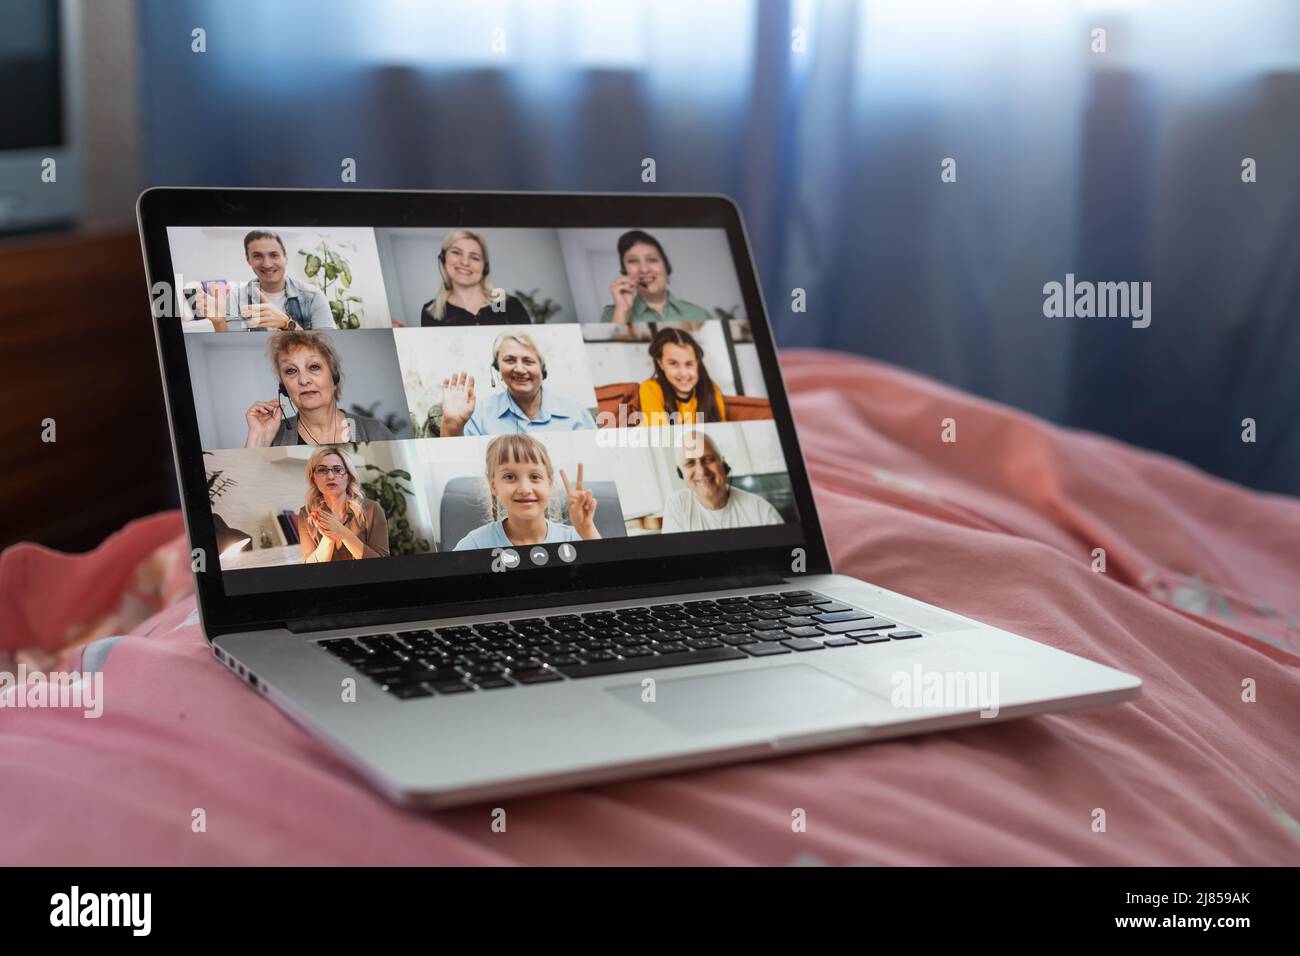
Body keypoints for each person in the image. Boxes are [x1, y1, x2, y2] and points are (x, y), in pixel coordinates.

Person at [245, 330, 395, 446]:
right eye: (291, 370)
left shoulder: (375, 432)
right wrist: (258, 439)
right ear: (283, 387)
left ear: (334, 377)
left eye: (314, 367)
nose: (303, 380)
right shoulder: (273, 437)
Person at [453, 434, 599, 550]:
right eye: (510, 477)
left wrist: (587, 529)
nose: (524, 489)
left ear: (549, 484)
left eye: (535, 477)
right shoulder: (474, 544)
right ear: (493, 485)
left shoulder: (576, 537)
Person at [438, 333, 596, 436]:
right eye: (510, 360)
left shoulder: (575, 412)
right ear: (497, 368)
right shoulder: (479, 415)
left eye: (528, 361)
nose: (519, 369)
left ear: (542, 370)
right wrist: (452, 425)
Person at [191, 229, 333, 331]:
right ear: (248, 260)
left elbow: (326, 348)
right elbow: (230, 348)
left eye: (274, 255)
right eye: (258, 256)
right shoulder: (235, 298)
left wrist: (286, 323)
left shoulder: (313, 296)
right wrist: (219, 322)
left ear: (286, 257)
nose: (267, 264)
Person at [660, 431, 783, 533]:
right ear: (681, 473)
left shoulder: (761, 510)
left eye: (708, 459)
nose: (701, 471)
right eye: (690, 463)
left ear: (723, 464)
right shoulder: (677, 504)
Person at [420, 229, 532, 326]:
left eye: (475, 257)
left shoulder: (509, 305)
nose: (465, 262)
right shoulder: (430, 311)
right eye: (456, 252)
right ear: (443, 259)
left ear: (485, 267)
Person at [599, 229, 712, 325]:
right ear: (625, 271)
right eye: (632, 261)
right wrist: (622, 312)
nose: (644, 269)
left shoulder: (700, 314)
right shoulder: (611, 315)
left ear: (666, 269)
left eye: (652, 260)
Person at [298, 447, 390, 562]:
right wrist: (328, 537)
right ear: (313, 478)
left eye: (338, 470)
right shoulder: (306, 514)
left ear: (349, 476)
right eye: (322, 470)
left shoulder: (372, 509)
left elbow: (381, 564)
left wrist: (341, 531)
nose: (330, 476)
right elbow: (310, 567)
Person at [638, 327, 726, 426]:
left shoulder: (711, 389)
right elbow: (660, 432)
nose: (683, 373)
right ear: (661, 363)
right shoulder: (650, 388)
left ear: (697, 362)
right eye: (673, 363)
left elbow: (721, 429)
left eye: (689, 364)